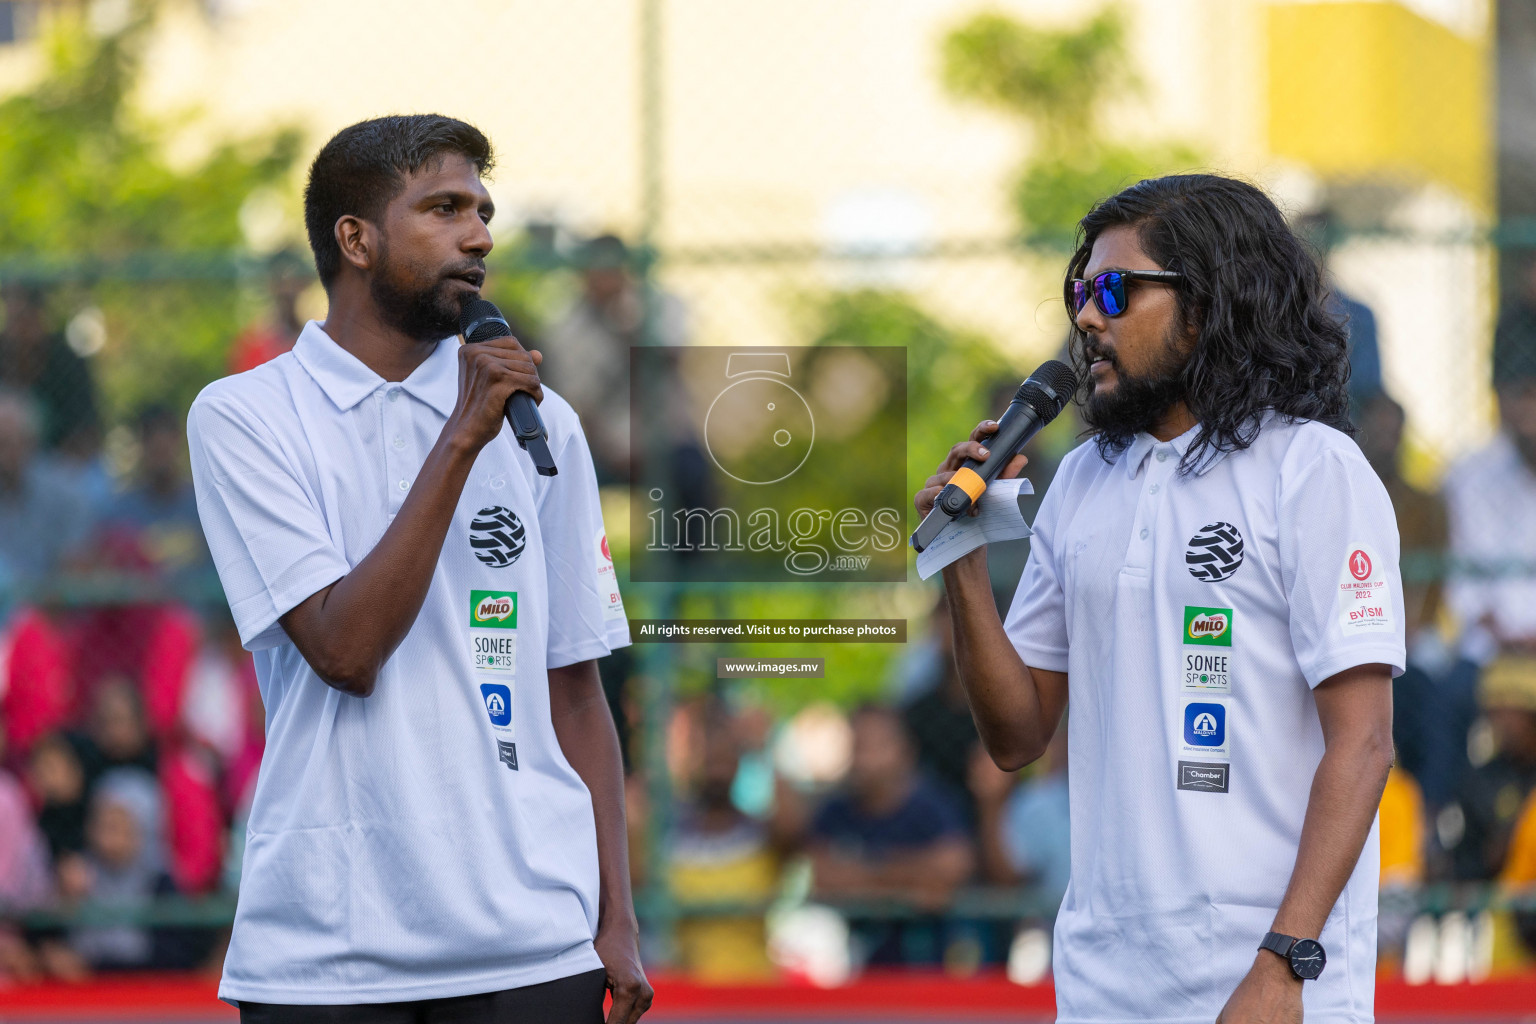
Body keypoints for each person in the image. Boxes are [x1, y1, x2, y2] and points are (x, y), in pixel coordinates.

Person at [187, 115, 648, 1023]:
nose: (478, 234)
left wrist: (617, 918)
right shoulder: (246, 416)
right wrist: (462, 437)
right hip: (328, 948)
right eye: (442, 208)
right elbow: (345, 650)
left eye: (482, 210)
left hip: (532, 941)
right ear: (354, 239)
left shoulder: (543, 422)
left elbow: (576, 688)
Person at [917, 174, 1403, 1022]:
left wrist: (1284, 964)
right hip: (1107, 981)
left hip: (1268, 975)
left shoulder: (1312, 469)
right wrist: (960, 555)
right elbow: (1016, 737)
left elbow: (1361, 748)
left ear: (1209, 305)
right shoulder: (1080, 486)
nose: (1086, 318)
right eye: (1080, 291)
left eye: (1115, 290)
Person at [807, 704, 972, 966]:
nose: (864, 759)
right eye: (857, 745)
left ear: (905, 750)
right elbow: (822, 878)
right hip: (854, 972)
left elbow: (953, 869)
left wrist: (861, 877)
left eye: (875, 746)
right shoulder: (834, 810)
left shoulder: (935, 806)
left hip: (927, 972)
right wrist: (911, 886)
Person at [0, 387, 93, 593]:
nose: (4, 455)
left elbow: (76, 566)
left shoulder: (65, 492)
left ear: (31, 442)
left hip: (51, 612)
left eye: (9, 443)